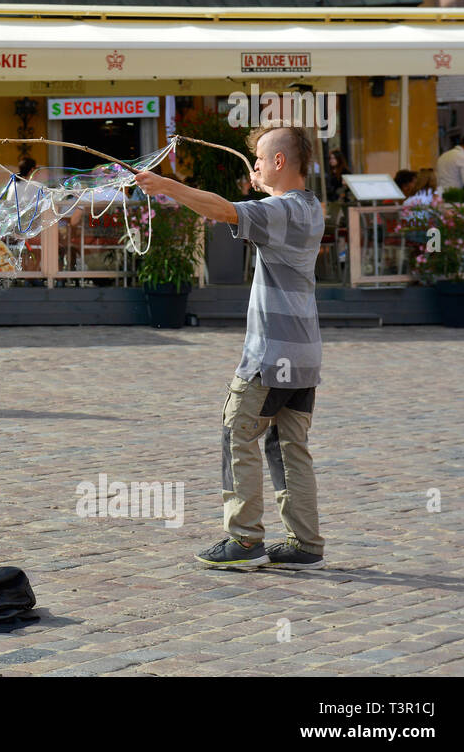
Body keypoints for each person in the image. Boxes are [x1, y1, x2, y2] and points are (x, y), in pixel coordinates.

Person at [135, 122, 326, 570]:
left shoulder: (279, 212)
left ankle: (243, 541)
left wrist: (165, 184)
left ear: (280, 162)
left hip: (271, 353)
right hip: (304, 356)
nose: (255, 165)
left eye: (260, 158)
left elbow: (223, 211)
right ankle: (305, 545)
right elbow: (242, 208)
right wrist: (258, 186)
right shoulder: (311, 208)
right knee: (286, 447)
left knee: (237, 432)